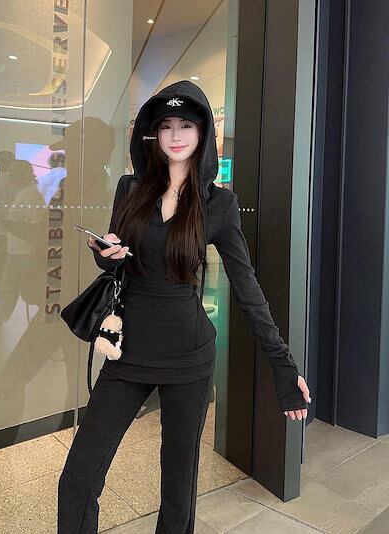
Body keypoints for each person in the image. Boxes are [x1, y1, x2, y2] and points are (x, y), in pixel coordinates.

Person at [57, 80, 311, 534]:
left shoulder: (220, 204)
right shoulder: (130, 188)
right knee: (77, 479)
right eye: (166, 125)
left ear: (203, 133)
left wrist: (283, 365)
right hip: (128, 351)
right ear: (153, 133)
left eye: (186, 125)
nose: (175, 135)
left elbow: (247, 287)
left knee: (178, 490)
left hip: (189, 357)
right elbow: (118, 261)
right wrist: (106, 253)